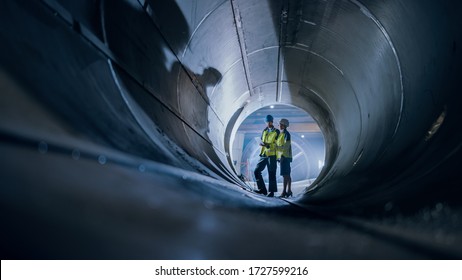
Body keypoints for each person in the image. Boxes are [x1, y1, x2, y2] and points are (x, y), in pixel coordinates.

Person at [254, 114, 280, 197]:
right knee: (257, 171)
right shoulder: (264, 131)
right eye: (267, 122)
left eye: (269, 122)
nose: (268, 123)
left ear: (272, 122)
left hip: (272, 155)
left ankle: (271, 192)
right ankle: (262, 190)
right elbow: (262, 140)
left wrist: (267, 144)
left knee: (271, 173)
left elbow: (278, 144)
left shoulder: (276, 132)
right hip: (264, 154)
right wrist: (261, 144)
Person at [276, 118, 292, 198]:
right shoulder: (282, 134)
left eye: (280, 124)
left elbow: (286, 146)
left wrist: (281, 156)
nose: (279, 125)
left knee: (285, 175)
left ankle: (284, 192)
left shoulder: (286, 134)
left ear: (284, 125)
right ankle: (288, 191)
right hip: (283, 156)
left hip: (284, 157)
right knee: (287, 174)